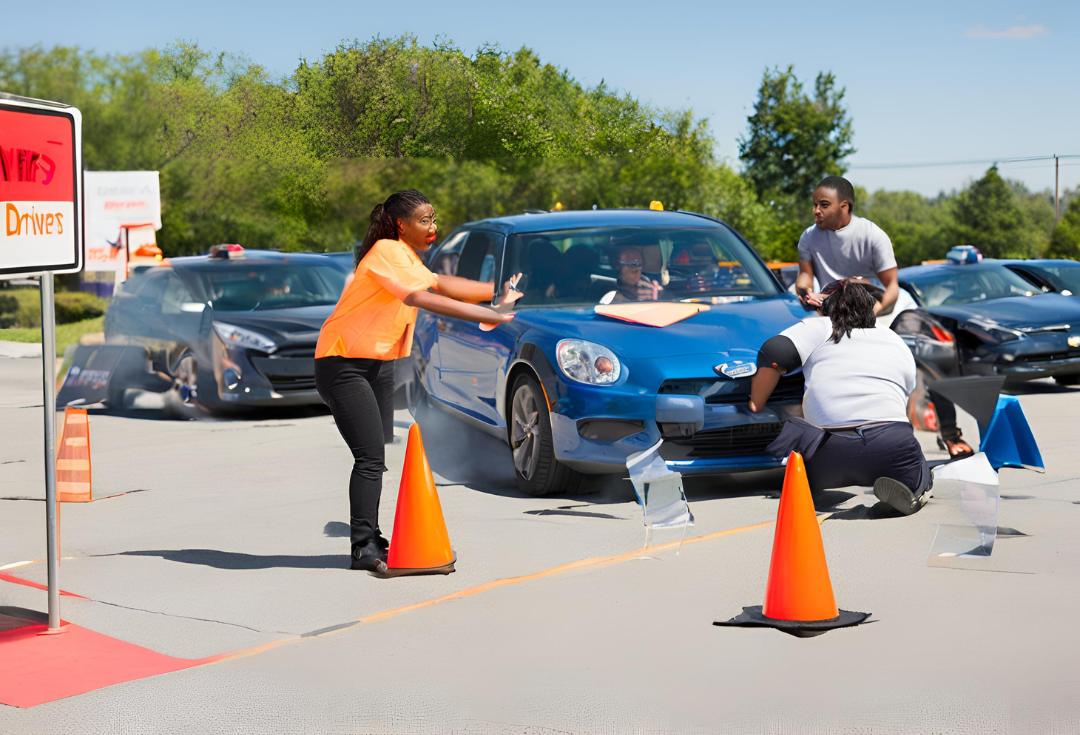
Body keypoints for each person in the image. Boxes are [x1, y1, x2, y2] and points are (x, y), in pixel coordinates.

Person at [315, 189, 518, 572]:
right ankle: (363, 548)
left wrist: (497, 291)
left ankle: (371, 537)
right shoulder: (386, 252)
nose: (433, 227)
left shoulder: (408, 257)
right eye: (425, 220)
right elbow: (418, 298)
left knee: (377, 454)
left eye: (434, 219)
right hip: (342, 362)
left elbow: (440, 284)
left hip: (378, 363)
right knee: (370, 457)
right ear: (400, 224)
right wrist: (487, 313)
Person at [795, 176, 973, 458]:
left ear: (844, 206)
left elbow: (891, 287)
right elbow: (805, 275)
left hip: (886, 311)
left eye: (824, 205)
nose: (816, 210)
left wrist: (870, 317)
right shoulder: (809, 237)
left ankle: (950, 433)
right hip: (840, 313)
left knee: (931, 356)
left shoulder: (872, 234)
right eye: (814, 205)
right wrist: (805, 292)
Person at [750, 278, 931, 515]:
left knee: (793, 428)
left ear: (827, 307)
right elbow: (905, 393)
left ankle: (804, 483)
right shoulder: (893, 339)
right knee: (918, 465)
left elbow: (774, 352)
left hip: (829, 449)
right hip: (891, 444)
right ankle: (915, 489)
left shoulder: (821, 326)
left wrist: (756, 403)